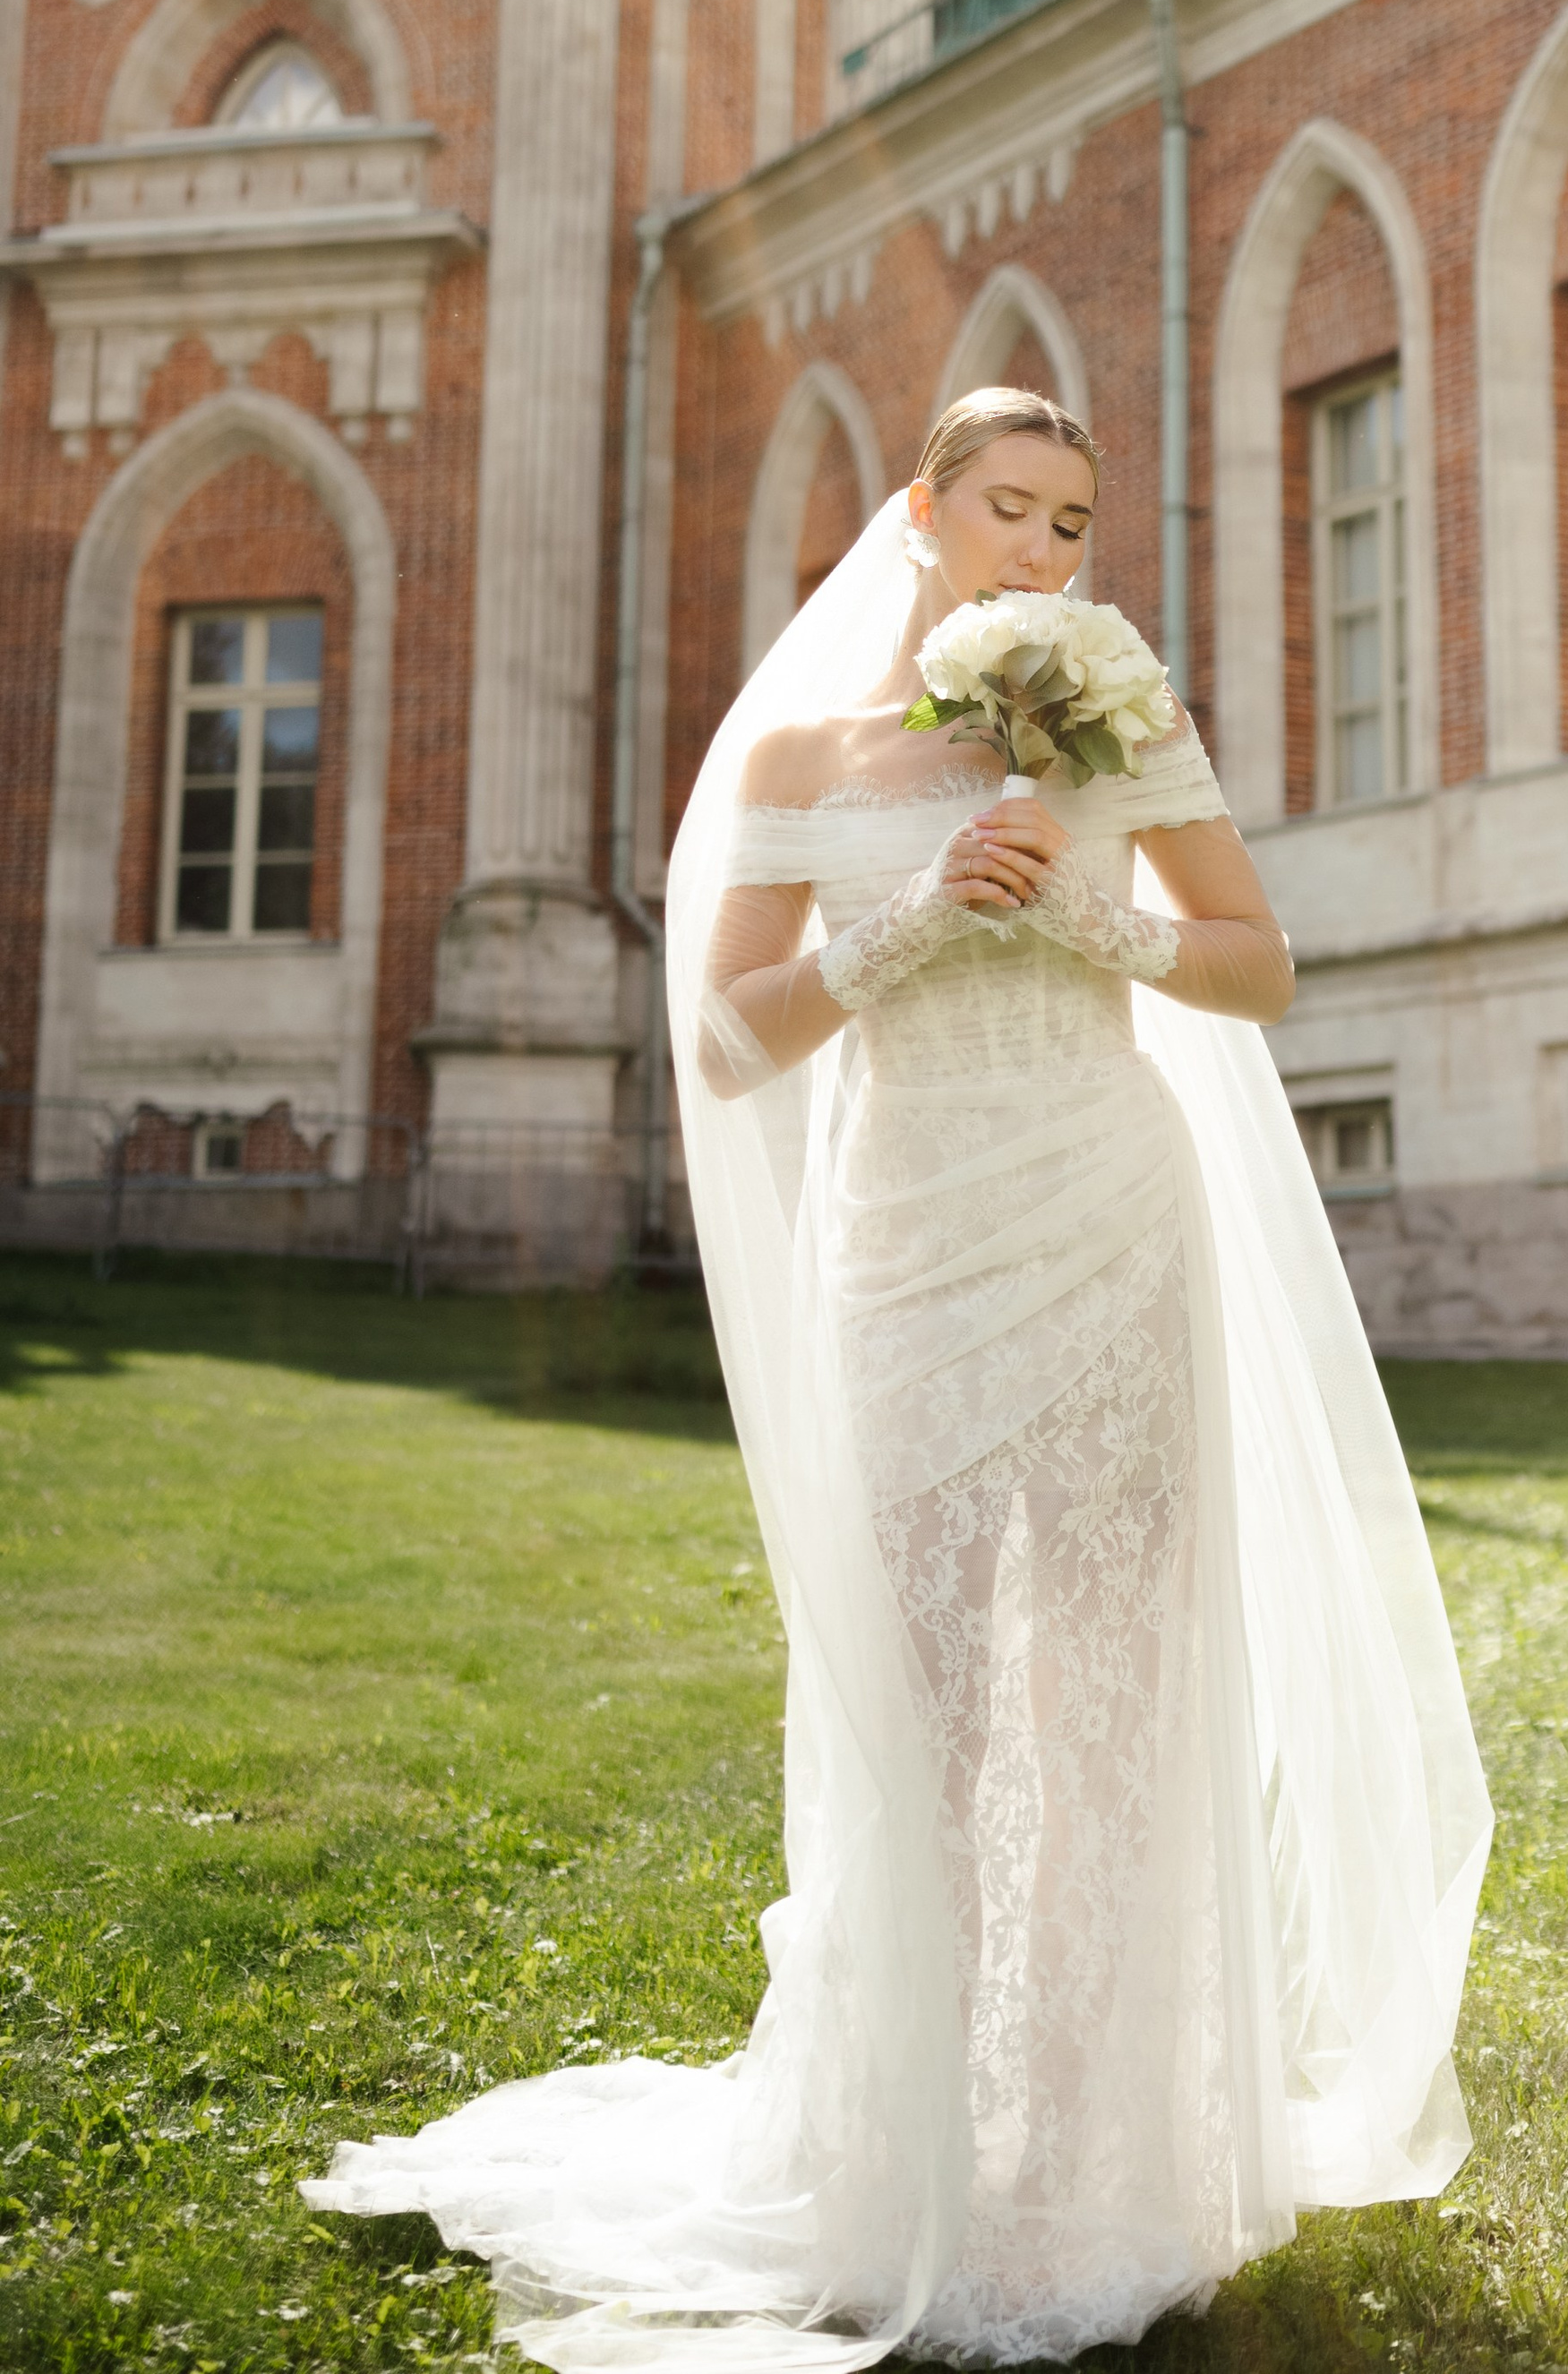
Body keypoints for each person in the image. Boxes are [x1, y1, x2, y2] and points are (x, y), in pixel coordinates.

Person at [304, 389, 1490, 2370]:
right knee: (922, 1710)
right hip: (911, 1247)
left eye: (1071, 524)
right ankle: (907, 2152)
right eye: (1007, 511)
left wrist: (1095, 914)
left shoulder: (1125, 724)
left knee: (1110, 1701)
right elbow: (733, 1042)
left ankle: (1081, 2156)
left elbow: (1257, 966)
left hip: (1109, 1214)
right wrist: (916, 926)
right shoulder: (800, 752)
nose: (1041, 551)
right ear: (918, 518)